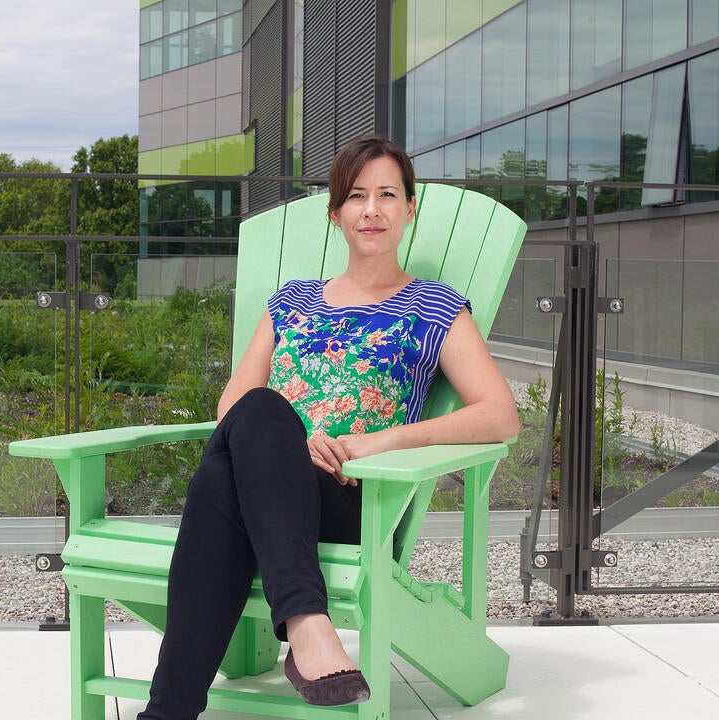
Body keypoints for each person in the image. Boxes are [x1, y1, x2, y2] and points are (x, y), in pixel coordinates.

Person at [137, 135, 519, 719]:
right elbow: (233, 404)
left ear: (410, 208)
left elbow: (498, 415)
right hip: (269, 486)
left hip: (353, 498)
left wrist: (376, 441)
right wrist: (287, 443)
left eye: (388, 194)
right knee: (260, 413)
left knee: (225, 477)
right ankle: (306, 623)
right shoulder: (290, 301)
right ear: (335, 212)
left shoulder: (436, 307)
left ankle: (175, 707)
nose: (372, 210)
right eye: (357, 196)